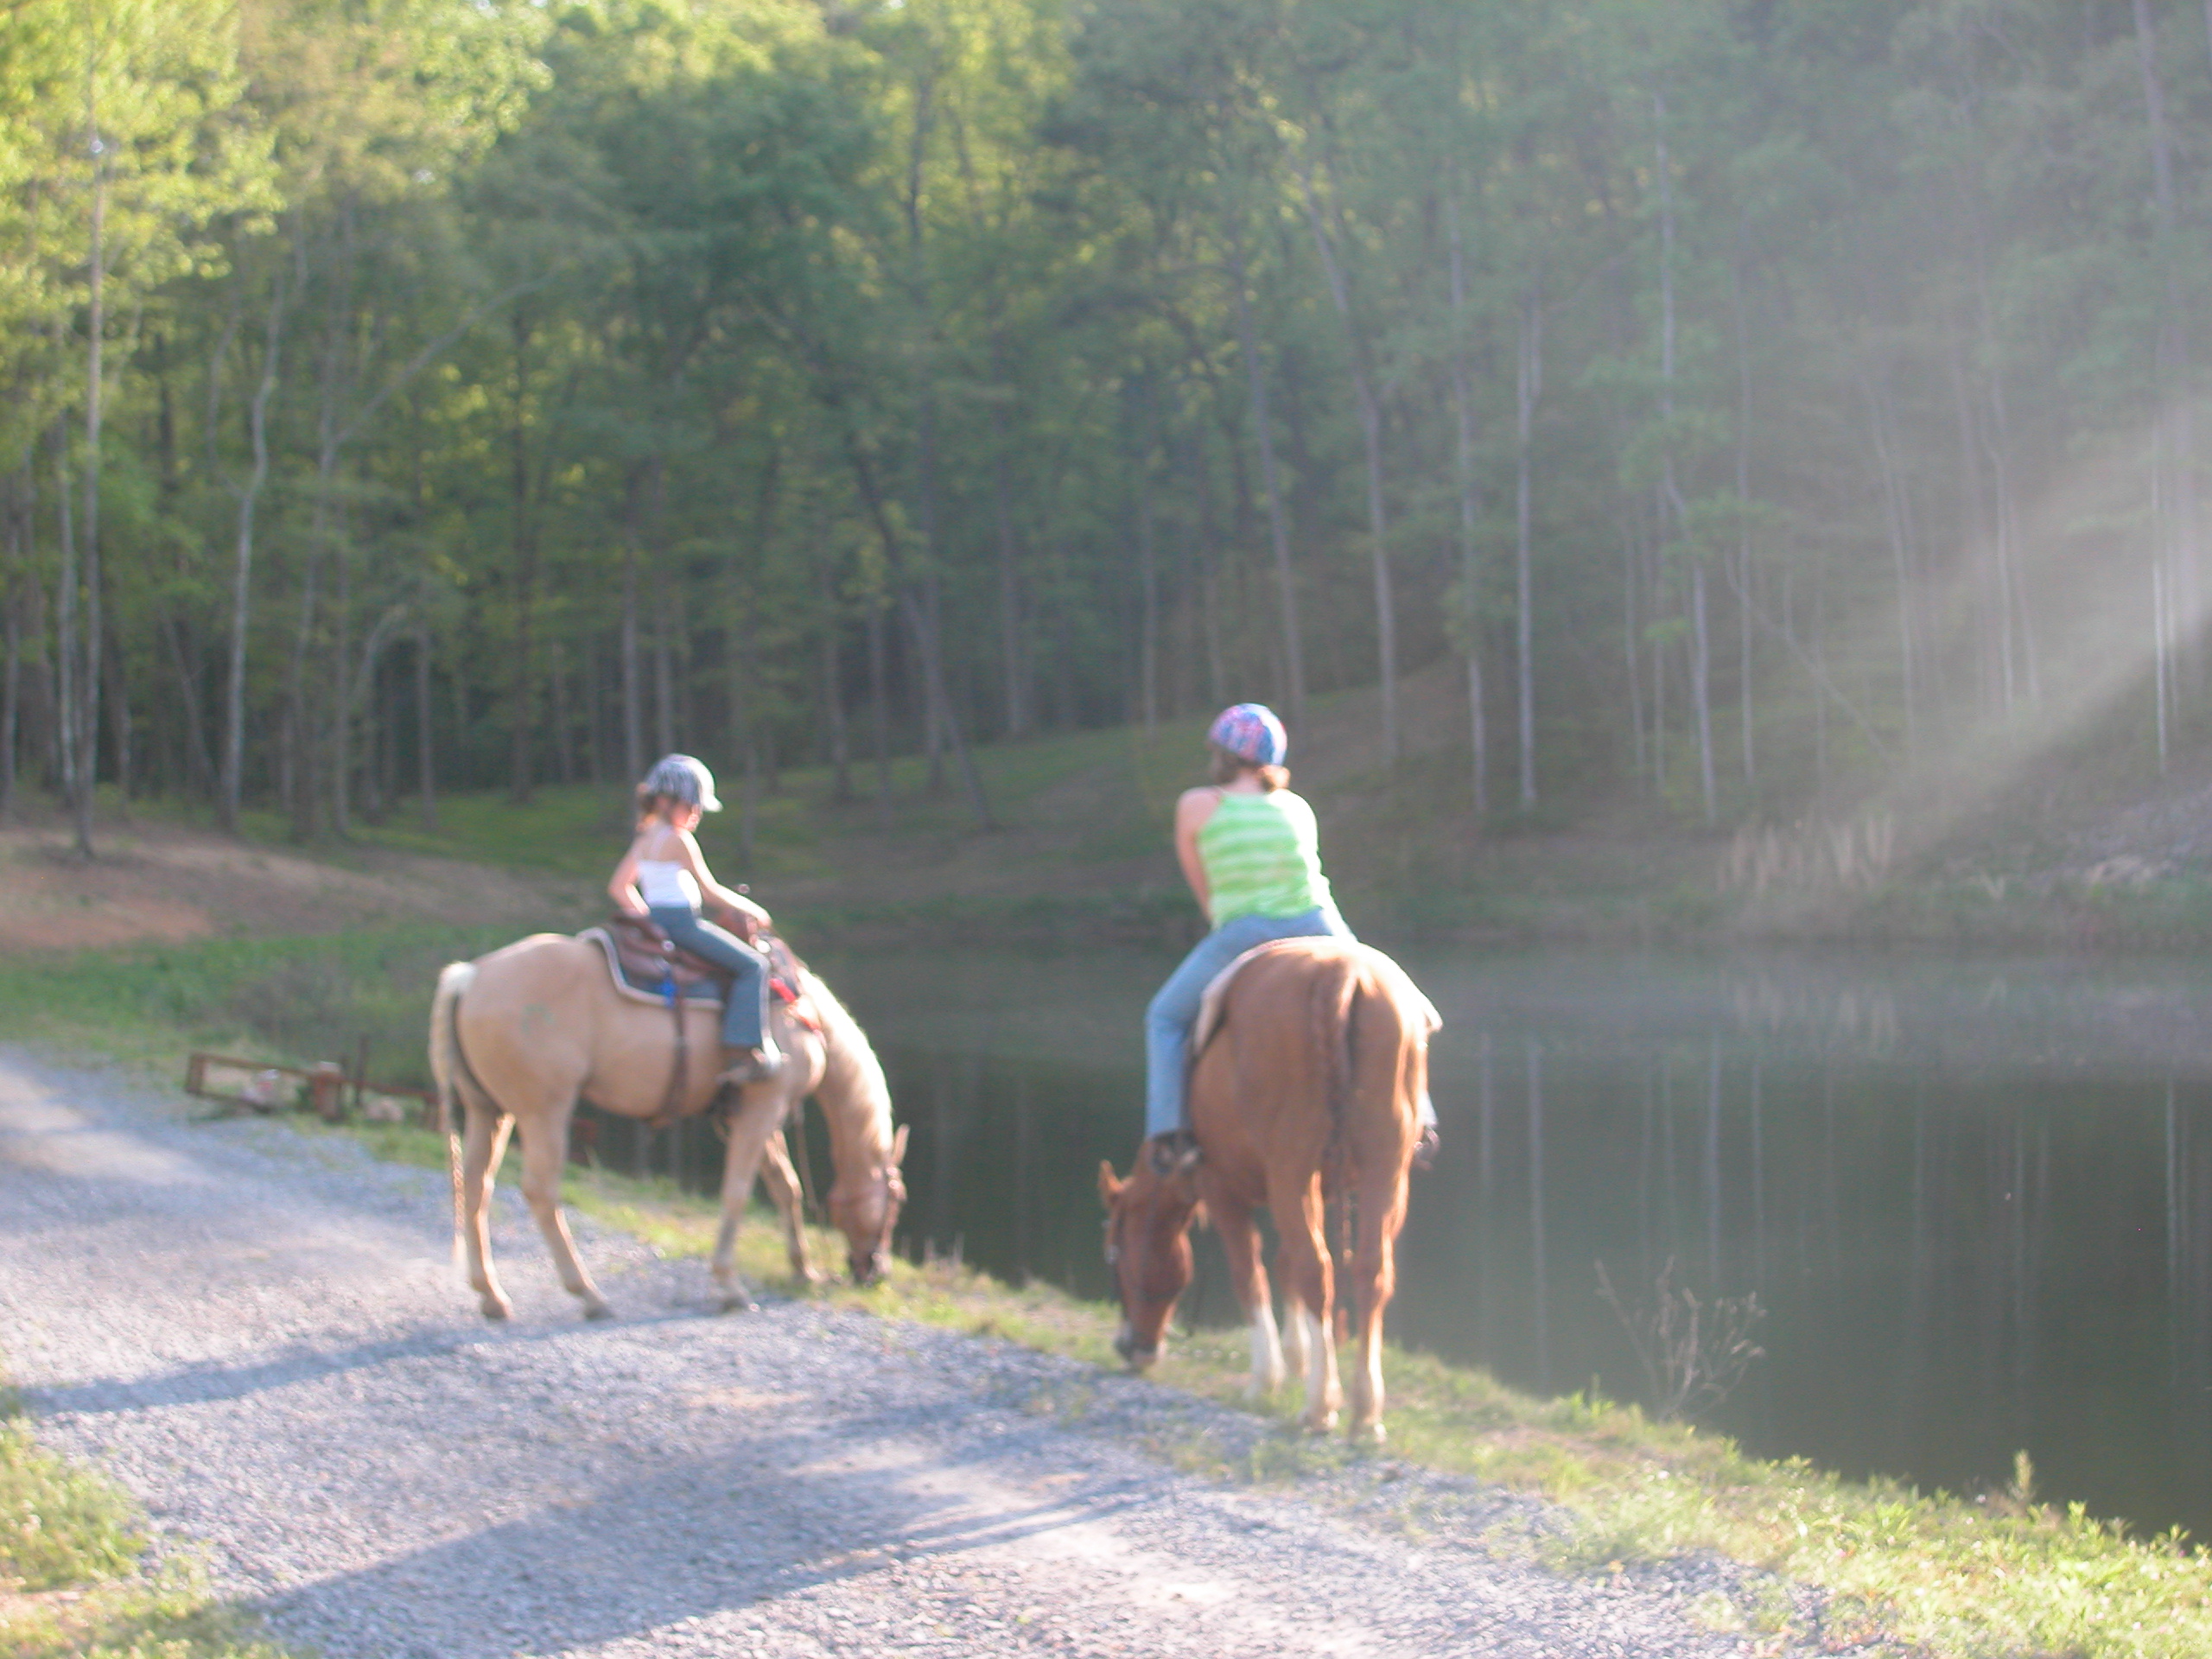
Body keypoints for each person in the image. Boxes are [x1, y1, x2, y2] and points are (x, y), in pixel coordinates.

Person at [1142, 704, 1439, 1171]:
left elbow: (1204, 885)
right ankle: (1420, 1116)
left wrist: (1225, 919)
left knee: (1164, 1019)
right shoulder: (1296, 806)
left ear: (1220, 753)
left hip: (1244, 929)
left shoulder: (1197, 805)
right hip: (1318, 922)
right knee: (1406, 1004)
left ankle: (1170, 1136)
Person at [608, 753, 781, 1083]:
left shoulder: (644, 839)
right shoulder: (678, 840)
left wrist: (648, 920)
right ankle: (742, 1048)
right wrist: (753, 909)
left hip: (659, 923)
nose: (697, 812)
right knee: (753, 966)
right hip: (685, 924)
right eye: (690, 804)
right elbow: (710, 890)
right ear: (664, 801)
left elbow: (619, 888)